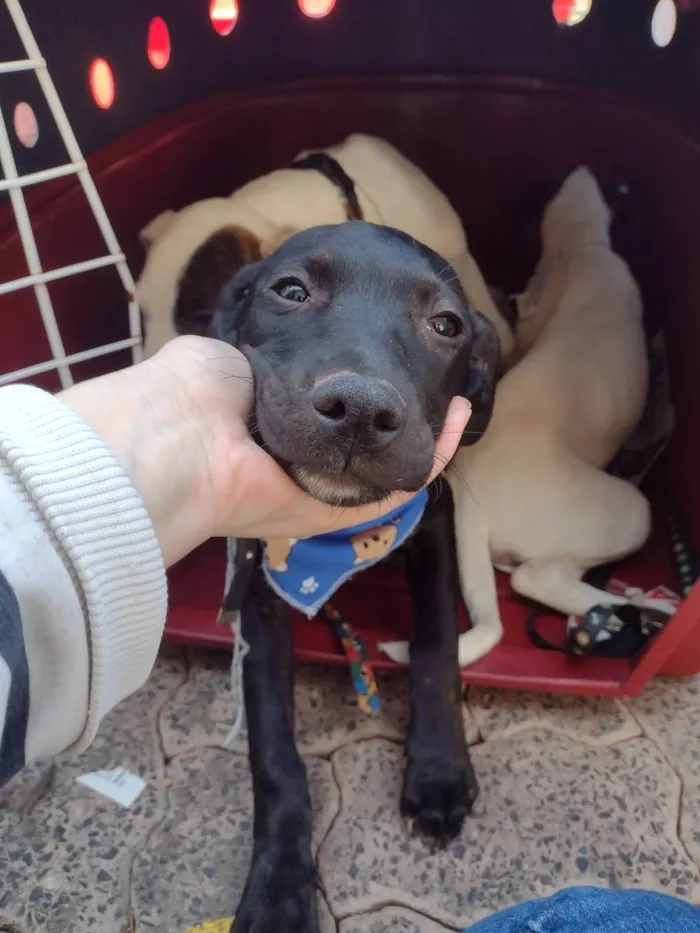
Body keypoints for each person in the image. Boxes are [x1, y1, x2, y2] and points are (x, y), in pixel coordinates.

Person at [0, 335, 470, 785]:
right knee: (262, 590)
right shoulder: (243, 459)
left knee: (431, 514)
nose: (362, 400)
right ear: (229, 329)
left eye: (443, 326)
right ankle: (281, 806)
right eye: (293, 291)